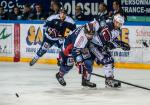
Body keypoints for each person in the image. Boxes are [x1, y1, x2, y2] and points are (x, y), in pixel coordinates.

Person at [89, 14, 130, 88]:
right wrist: (119, 44)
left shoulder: (117, 30)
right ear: (114, 21)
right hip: (94, 45)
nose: (118, 25)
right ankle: (108, 80)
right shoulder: (107, 26)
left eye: (120, 24)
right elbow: (107, 42)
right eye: (117, 23)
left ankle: (110, 79)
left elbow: (112, 41)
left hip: (100, 46)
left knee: (110, 60)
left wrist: (122, 44)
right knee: (106, 60)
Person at [55, 22, 98, 88]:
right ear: (85, 31)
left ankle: (85, 81)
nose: (91, 36)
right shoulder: (81, 38)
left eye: (92, 34)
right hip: (68, 48)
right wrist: (79, 63)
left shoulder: (88, 27)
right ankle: (59, 75)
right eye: (89, 34)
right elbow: (75, 52)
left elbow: (94, 23)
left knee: (88, 62)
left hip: (79, 46)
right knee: (69, 65)